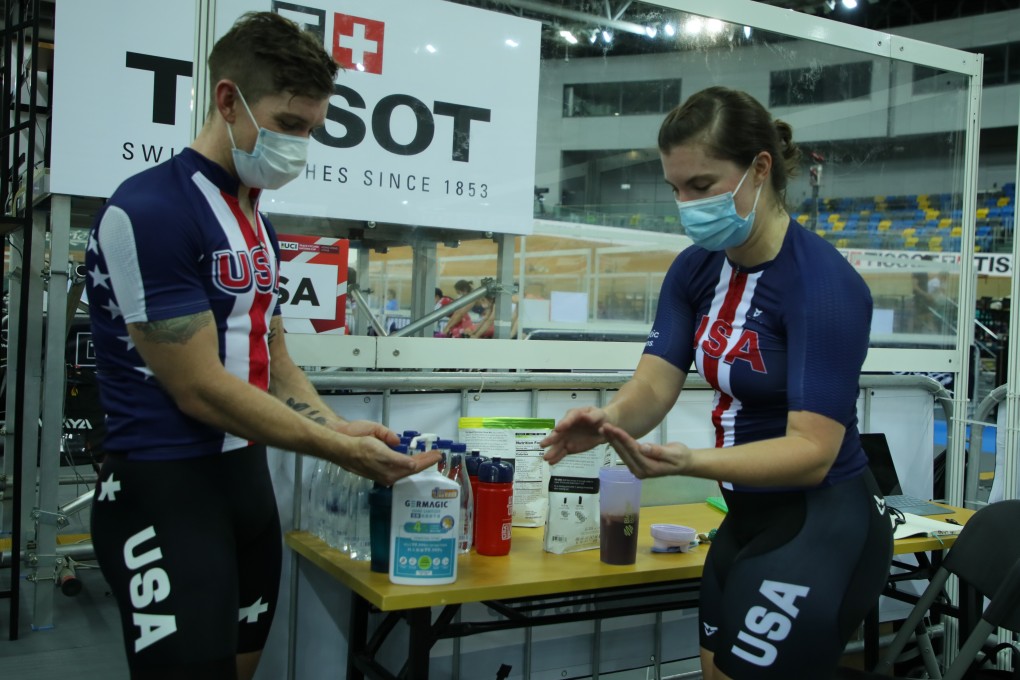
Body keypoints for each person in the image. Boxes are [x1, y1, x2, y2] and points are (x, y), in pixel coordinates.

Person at [84, 12, 439, 680]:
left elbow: (273, 362)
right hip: (164, 488)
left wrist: (336, 425)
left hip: (243, 486)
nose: (301, 145)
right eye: (290, 125)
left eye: (312, 128)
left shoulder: (256, 222)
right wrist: (339, 450)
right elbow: (199, 388)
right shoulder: (151, 211)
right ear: (229, 101)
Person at [541, 86, 893, 680]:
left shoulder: (824, 287)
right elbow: (654, 384)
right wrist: (608, 422)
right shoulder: (696, 268)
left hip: (822, 522)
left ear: (759, 168)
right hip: (745, 520)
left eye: (701, 186)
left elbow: (812, 452)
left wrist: (687, 462)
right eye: (675, 188)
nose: (685, 204)